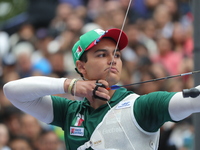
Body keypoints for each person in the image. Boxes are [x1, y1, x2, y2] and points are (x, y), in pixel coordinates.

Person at [3, 28, 200, 150]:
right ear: (81, 67)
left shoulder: (141, 106)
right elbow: (12, 91)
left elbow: (193, 100)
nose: (113, 59)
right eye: (101, 54)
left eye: (117, 55)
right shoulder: (70, 112)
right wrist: (70, 85)